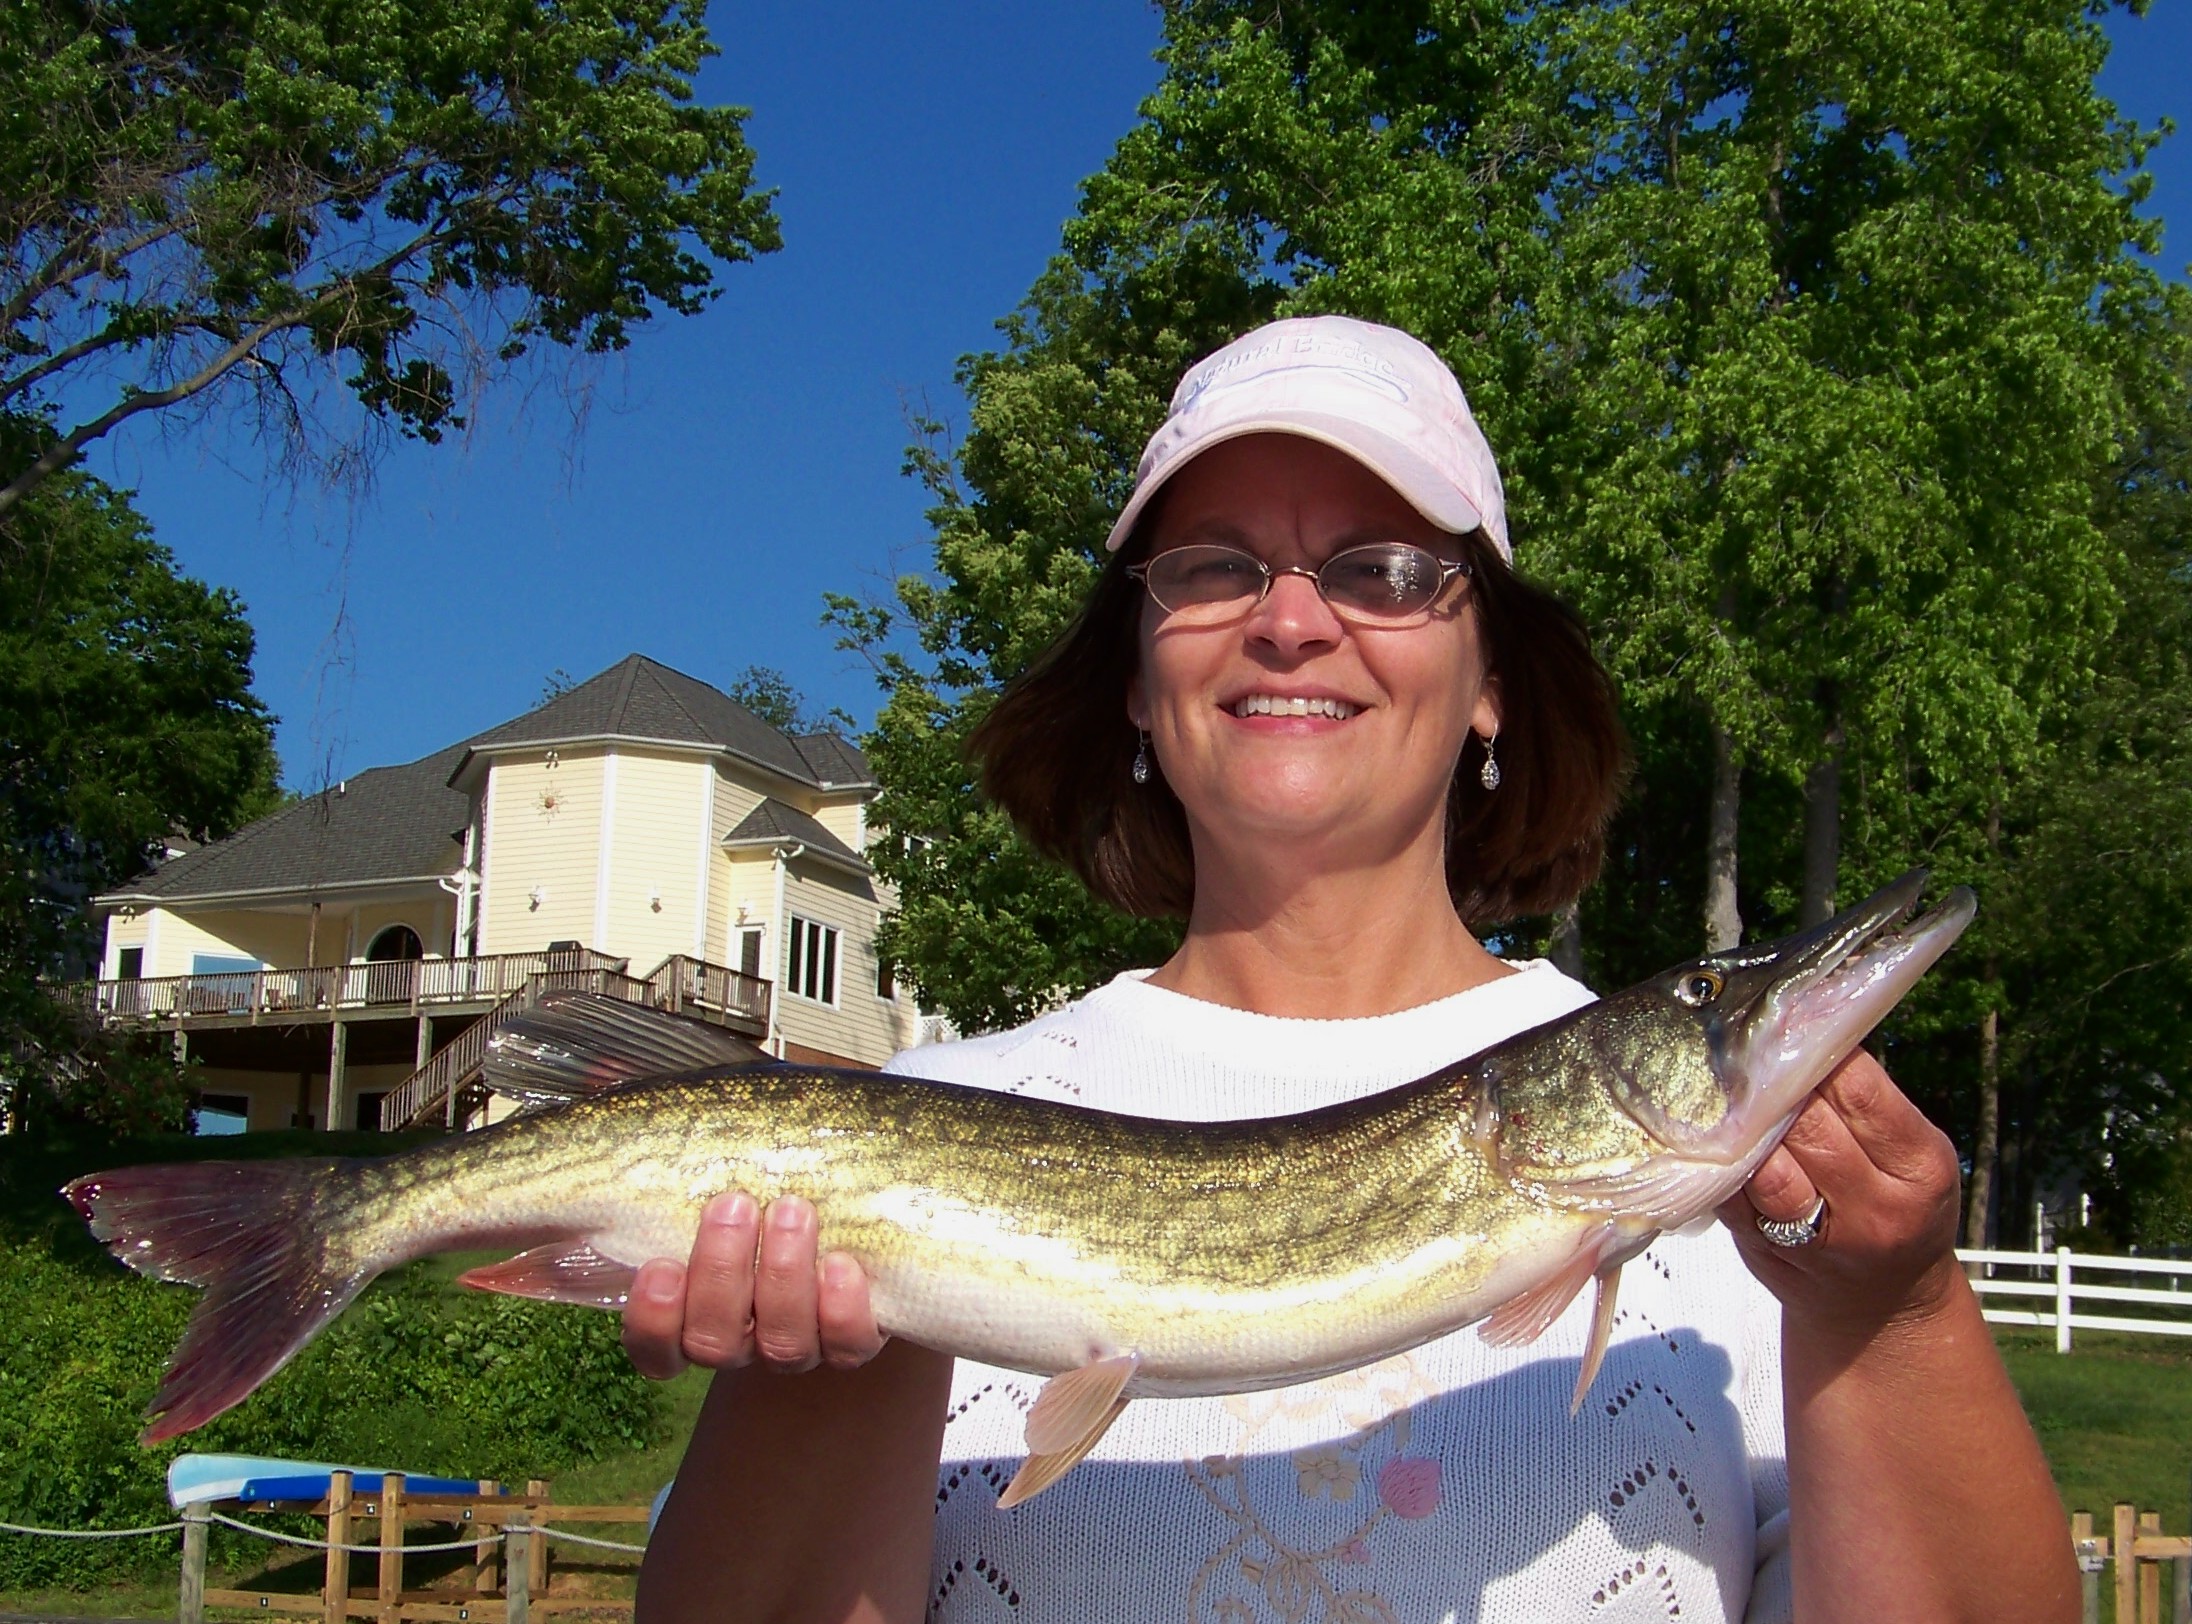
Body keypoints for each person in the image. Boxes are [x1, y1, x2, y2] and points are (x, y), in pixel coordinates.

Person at [629, 316, 2075, 1623]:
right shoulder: (921, 1112)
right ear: (1138, 680)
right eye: (1211, 567)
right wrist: (843, 1354)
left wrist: (1888, 1316)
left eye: (1385, 569)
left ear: (1493, 679)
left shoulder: (1755, 1242)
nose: (1291, 618)